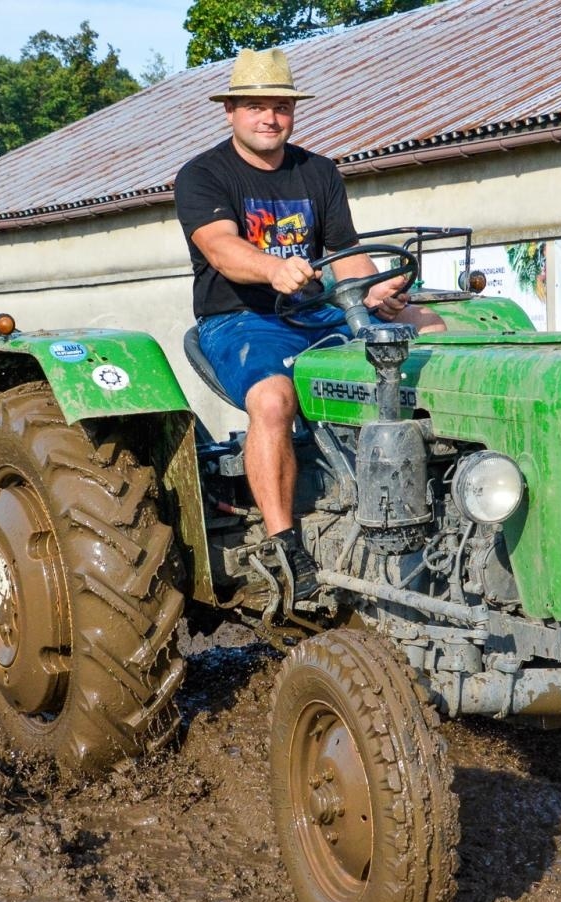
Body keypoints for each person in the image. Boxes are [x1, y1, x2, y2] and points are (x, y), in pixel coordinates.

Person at [174, 48, 431, 599]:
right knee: (272, 400)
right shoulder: (203, 175)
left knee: (428, 332)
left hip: (316, 312)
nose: (270, 117)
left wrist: (378, 289)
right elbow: (221, 250)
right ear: (231, 112)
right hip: (242, 320)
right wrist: (272, 268)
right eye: (256, 107)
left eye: (280, 107)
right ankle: (285, 545)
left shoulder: (318, 171)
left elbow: (346, 254)